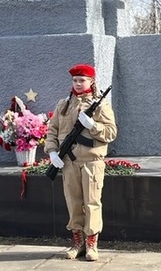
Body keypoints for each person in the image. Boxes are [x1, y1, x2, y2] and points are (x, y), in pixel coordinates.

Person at [44, 63, 117, 262]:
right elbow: (52, 130)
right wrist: (52, 152)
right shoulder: (64, 105)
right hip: (68, 162)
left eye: (82, 80)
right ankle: (77, 242)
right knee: (73, 202)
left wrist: (93, 126)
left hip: (92, 161)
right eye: (75, 80)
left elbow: (111, 133)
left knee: (92, 202)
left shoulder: (100, 105)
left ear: (91, 81)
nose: (78, 83)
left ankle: (92, 243)